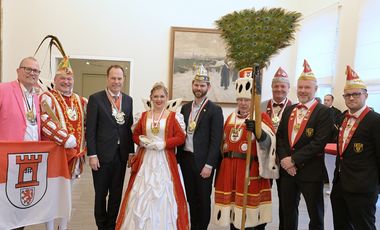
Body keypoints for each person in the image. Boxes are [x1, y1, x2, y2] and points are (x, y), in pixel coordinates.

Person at [116, 82, 189, 230]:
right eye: (155, 96)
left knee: (164, 196)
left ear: (167, 98)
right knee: (141, 192)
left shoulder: (174, 116)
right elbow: (135, 135)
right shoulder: (143, 116)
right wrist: (142, 141)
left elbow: (181, 137)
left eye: (162, 96)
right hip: (146, 159)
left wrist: (163, 144)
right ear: (151, 98)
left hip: (165, 160)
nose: (159, 99)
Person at [213, 67, 278, 230]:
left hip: (250, 168)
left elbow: (270, 142)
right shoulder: (230, 118)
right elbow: (222, 144)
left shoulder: (261, 117)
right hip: (230, 171)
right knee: (234, 212)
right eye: (240, 99)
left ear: (253, 101)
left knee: (250, 216)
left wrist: (258, 132)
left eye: (247, 100)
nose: (243, 103)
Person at [276, 60, 332, 230]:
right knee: (287, 212)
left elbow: (319, 142)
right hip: (287, 172)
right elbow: (280, 137)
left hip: (311, 171)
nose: (303, 91)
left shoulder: (324, 112)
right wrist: (285, 159)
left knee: (315, 215)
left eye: (307, 87)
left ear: (315, 90)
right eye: (300, 87)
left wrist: (293, 160)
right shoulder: (289, 109)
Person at [39, 57, 87, 230]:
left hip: (75, 157)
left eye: (69, 79)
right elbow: (44, 121)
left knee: (67, 195)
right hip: (55, 157)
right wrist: (64, 138)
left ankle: (63, 226)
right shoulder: (47, 97)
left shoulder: (81, 100)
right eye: (62, 79)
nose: (66, 82)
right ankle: (50, 227)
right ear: (55, 80)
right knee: (51, 195)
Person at [330, 65, 380, 229]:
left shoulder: (375, 121)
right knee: (341, 225)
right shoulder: (342, 118)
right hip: (339, 185)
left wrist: (375, 189)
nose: (351, 98)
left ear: (365, 95)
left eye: (356, 94)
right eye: (348, 95)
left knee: (364, 226)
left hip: (363, 189)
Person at [86, 65, 134, 230]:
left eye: (119, 78)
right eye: (113, 78)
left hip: (120, 156)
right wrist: (92, 154)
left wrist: (130, 152)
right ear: (107, 78)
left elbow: (128, 128)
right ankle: (101, 225)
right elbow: (90, 130)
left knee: (116, 193)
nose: (116, 82)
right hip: (101, 156)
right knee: (101, 194)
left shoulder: (128, 100)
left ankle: (112, 225)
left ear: (123, 80)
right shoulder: (96, 99)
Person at [177, 65, 224, 230]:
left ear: (208, 87)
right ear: (192, 85)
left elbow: (216, 140)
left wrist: (210, 164)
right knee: (191, 198)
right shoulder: (185, 108)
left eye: (202, 85)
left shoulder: (215, 110)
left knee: (203, 199)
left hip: (204, 163)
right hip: (186, 160)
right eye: (196, 85)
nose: (198, 88)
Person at [0, 57, 41, 230]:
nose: (32, 73)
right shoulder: (4, 89)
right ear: (18, 71)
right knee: (4, 204)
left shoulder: (36, 96)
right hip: (6, 159)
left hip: (28, 160)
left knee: (21, 204)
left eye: (36, 71)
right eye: (28, 69)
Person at [260, 67, 292, 230]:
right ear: (272, 87)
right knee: (261, 197)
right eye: (276, 86)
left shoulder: (294, 108)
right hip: (264, 160)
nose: (279, 89)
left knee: (286, 201)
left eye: (283, 86)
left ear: (288, 88)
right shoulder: (261, 106)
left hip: (286, 161)